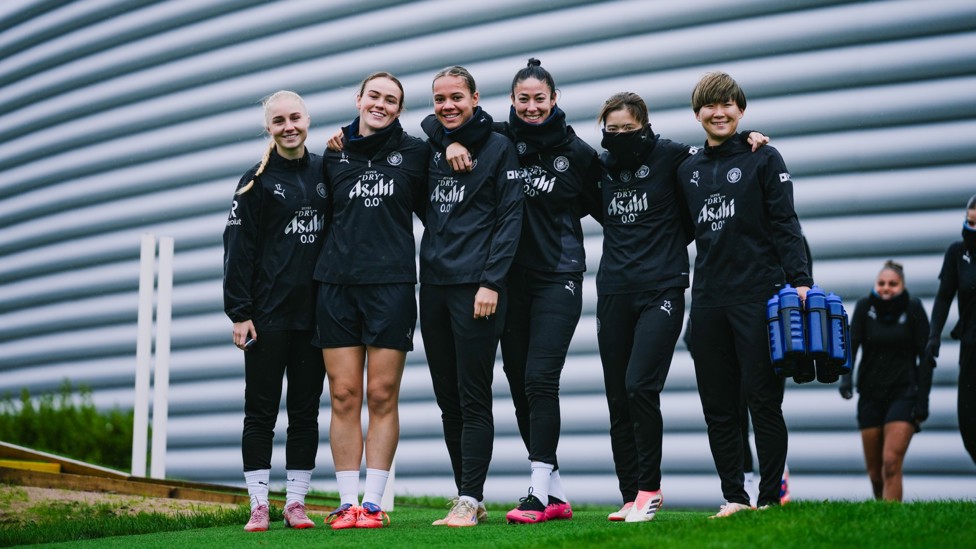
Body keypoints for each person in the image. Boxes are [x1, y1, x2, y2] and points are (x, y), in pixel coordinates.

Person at [427, 59, 602, 524]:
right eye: (522, 99)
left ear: (553, 99)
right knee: (521, 380)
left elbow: (612, 201)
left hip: (558, 275)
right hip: (509, 280)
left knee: (541, 379)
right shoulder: (499, 139)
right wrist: (451, 139)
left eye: (538, 98)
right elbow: (437, 121)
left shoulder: (578, 154)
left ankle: (539, 492)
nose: (530, 107)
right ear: (510, 101)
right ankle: (557, 492)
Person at [597, 91, 768, 522]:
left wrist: (748, 137)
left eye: (628, 129)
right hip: (614, 289)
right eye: (611, 130)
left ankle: (649, 490)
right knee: (618, 395)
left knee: (640, 385)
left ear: (645, 125)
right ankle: (630, 492)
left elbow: (717, 149)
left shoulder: (672, 155)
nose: (619, 137)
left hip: (662, 288)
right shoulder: (597, 165)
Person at [676, 72, 812, 518]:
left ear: (741, 109)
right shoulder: (687, 168)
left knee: (763, 401)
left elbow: (785, 223)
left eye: (728, 105)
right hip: (709, 299)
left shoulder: (764, 157)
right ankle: (735, 496)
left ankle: (771, 497)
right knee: (718, 407)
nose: (719, 113)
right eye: (710, 106)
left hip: (759, 295)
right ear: (697, 114)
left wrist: (801, 280)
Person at [313, 73, 428, 530]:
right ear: (359, 99)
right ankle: (345, 502)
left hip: (392, 286)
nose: (381, 104)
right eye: (374, 96)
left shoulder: (418, 152)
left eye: (391, 100)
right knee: (343, 395)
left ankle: (374, 502)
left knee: (382, 394)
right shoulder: (332, 154)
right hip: (336, 286)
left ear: (399, 109)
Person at [418, 65, 524, 527]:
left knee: (474, 394)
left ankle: (469, 495)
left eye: (456, 97)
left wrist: (492, 282)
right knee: (448, 398)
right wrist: (445, 139)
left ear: (476, 98)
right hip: (433, 287)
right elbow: (418, 128)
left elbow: (510, 219)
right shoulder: (432, 145)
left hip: (476, 288)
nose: (448, 106)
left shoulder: (500, 147)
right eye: (440, 99)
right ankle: (469, 497)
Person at [222, 90, 327, 532]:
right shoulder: (255, 181)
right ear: (268, 128)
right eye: (279, 120)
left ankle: (296, 503)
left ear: (307, 119)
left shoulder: (327, 171)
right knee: (261, 412)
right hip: (265, 318)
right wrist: (239, 313)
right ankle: (259, 504)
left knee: (305, 412)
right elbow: (237, 251)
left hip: (316, 318)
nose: (289, 126)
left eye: (295, 117)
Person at [839, 261, 931, 500]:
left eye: (892, 284)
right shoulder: (864, 307)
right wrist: (846, 380)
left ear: (902, 286)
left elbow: (926, 358)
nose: (886, 288)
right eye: (881, 283)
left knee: (890, 463)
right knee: (875, 473)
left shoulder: (913, 308)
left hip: (903, 394)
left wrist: (923, 401)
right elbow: (851, 345)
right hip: (870, 395)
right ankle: (882, 519)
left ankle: (893, 520)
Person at [927, 194, 976, 465]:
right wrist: (934, 335)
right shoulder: (957, 253)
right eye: (969, 223)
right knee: (968, 423)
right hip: (970, 346)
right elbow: (944, 296)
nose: (972, 231)